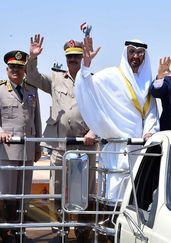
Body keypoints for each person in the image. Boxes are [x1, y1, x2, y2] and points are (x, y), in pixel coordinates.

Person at [25, 34, 97, 242]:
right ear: (65, 58)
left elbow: (101, 110)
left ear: (82, 58)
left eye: (76, 56)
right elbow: (32, 77)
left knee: (87, 189)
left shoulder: (91, 79)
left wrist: (94, 130)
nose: (72, 60)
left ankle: (85, 230)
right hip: (59, 145)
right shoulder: (56, 78)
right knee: (57, 188)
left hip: (86, 143)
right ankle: (60, 229)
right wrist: (33, 56)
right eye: (69, 57)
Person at [75, 36, 159, 200]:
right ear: (125, 53)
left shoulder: (147, 81)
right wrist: (85, 65)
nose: (136, 56)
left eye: (140, 52)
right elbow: (86, 85)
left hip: (139, 147)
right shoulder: (110, 75)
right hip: (116, 147)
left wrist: (150, 131)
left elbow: (151, 112)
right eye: (132, 52)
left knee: (137, 193)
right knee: (113, 191)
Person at [0, 50, 41, 242]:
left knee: (23, 194)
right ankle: (6, 231)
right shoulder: (0, 89)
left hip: (27, 150)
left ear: (25, 69)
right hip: (6, 151)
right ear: (7, 69)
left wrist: (38, 145)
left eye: (19, 67)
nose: (15, 70)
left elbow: (37, 120)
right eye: (12, 67)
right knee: (5, 193)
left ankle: (20, 230)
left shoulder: (32, 90)